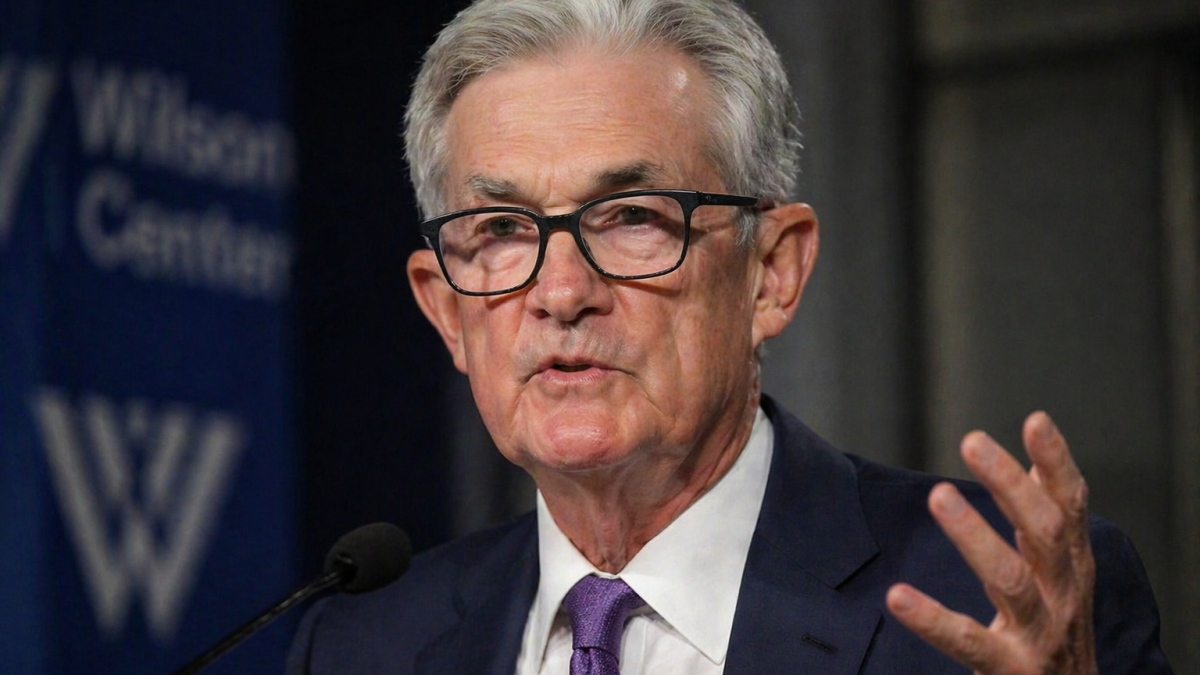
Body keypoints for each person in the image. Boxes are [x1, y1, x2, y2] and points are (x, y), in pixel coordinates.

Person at [288, 0, 1172, 673]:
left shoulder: (1002, 604)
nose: (561, 293)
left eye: (633, 216)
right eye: (503, 230)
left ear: (771, 273)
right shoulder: (360, 643)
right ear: (447, 309)